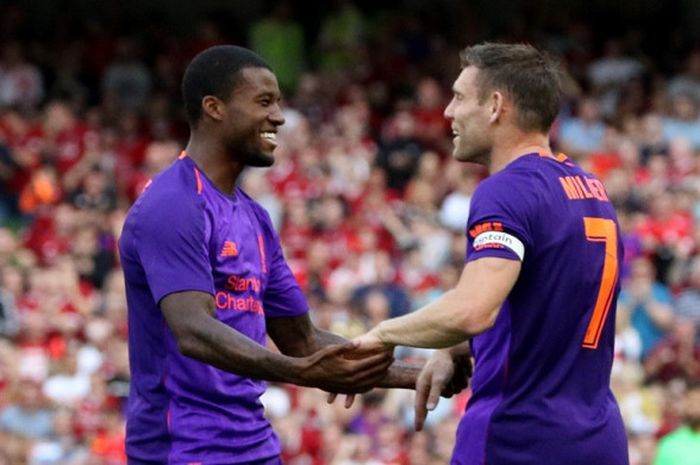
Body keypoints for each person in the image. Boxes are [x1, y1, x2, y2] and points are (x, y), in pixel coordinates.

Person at [119, 45, 467, 465]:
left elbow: (304, 342)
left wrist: (417, 376)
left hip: (255, 445)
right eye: (264, 102)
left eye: (279, 103)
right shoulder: (173, 204)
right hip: (181, 449)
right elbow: (192, 330)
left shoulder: (255, 218)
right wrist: (301, 373)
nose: (279, 117)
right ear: (214, 108)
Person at [355, 42, 629, 465]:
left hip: (518, 438)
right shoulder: (591, 189)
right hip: (599, 439)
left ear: (496, 106)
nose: (448, 112)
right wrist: (454, 348)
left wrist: (381, 334)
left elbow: (472, 310)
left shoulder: (506, 189)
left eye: (460, 97)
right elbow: (544, 314)